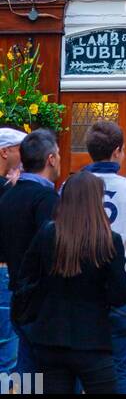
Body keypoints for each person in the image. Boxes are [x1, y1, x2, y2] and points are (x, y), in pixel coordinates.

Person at [15, 170, 126, 394]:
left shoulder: (48, 234)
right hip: (93, 338)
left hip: (50, 336)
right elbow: (120, 295)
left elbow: (26, 277)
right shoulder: (108, 241)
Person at [81, 118, 126, 393]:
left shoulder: (72, 187)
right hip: (121, 284)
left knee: (80, 364)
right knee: (119, 365)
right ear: (118, 150)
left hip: (79, 285)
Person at [0, 127, 61, 376]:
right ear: (51, 158)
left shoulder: (10, 194)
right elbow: (49, 250)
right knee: (17, 360)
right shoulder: (45, 199)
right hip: (34, 292)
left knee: (18, 361)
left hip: (15, 283)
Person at [0, 126, 27, 376]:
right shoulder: (10, 189)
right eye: (21, 149)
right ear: (5, 152)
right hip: (4, 272)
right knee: (8, 349)